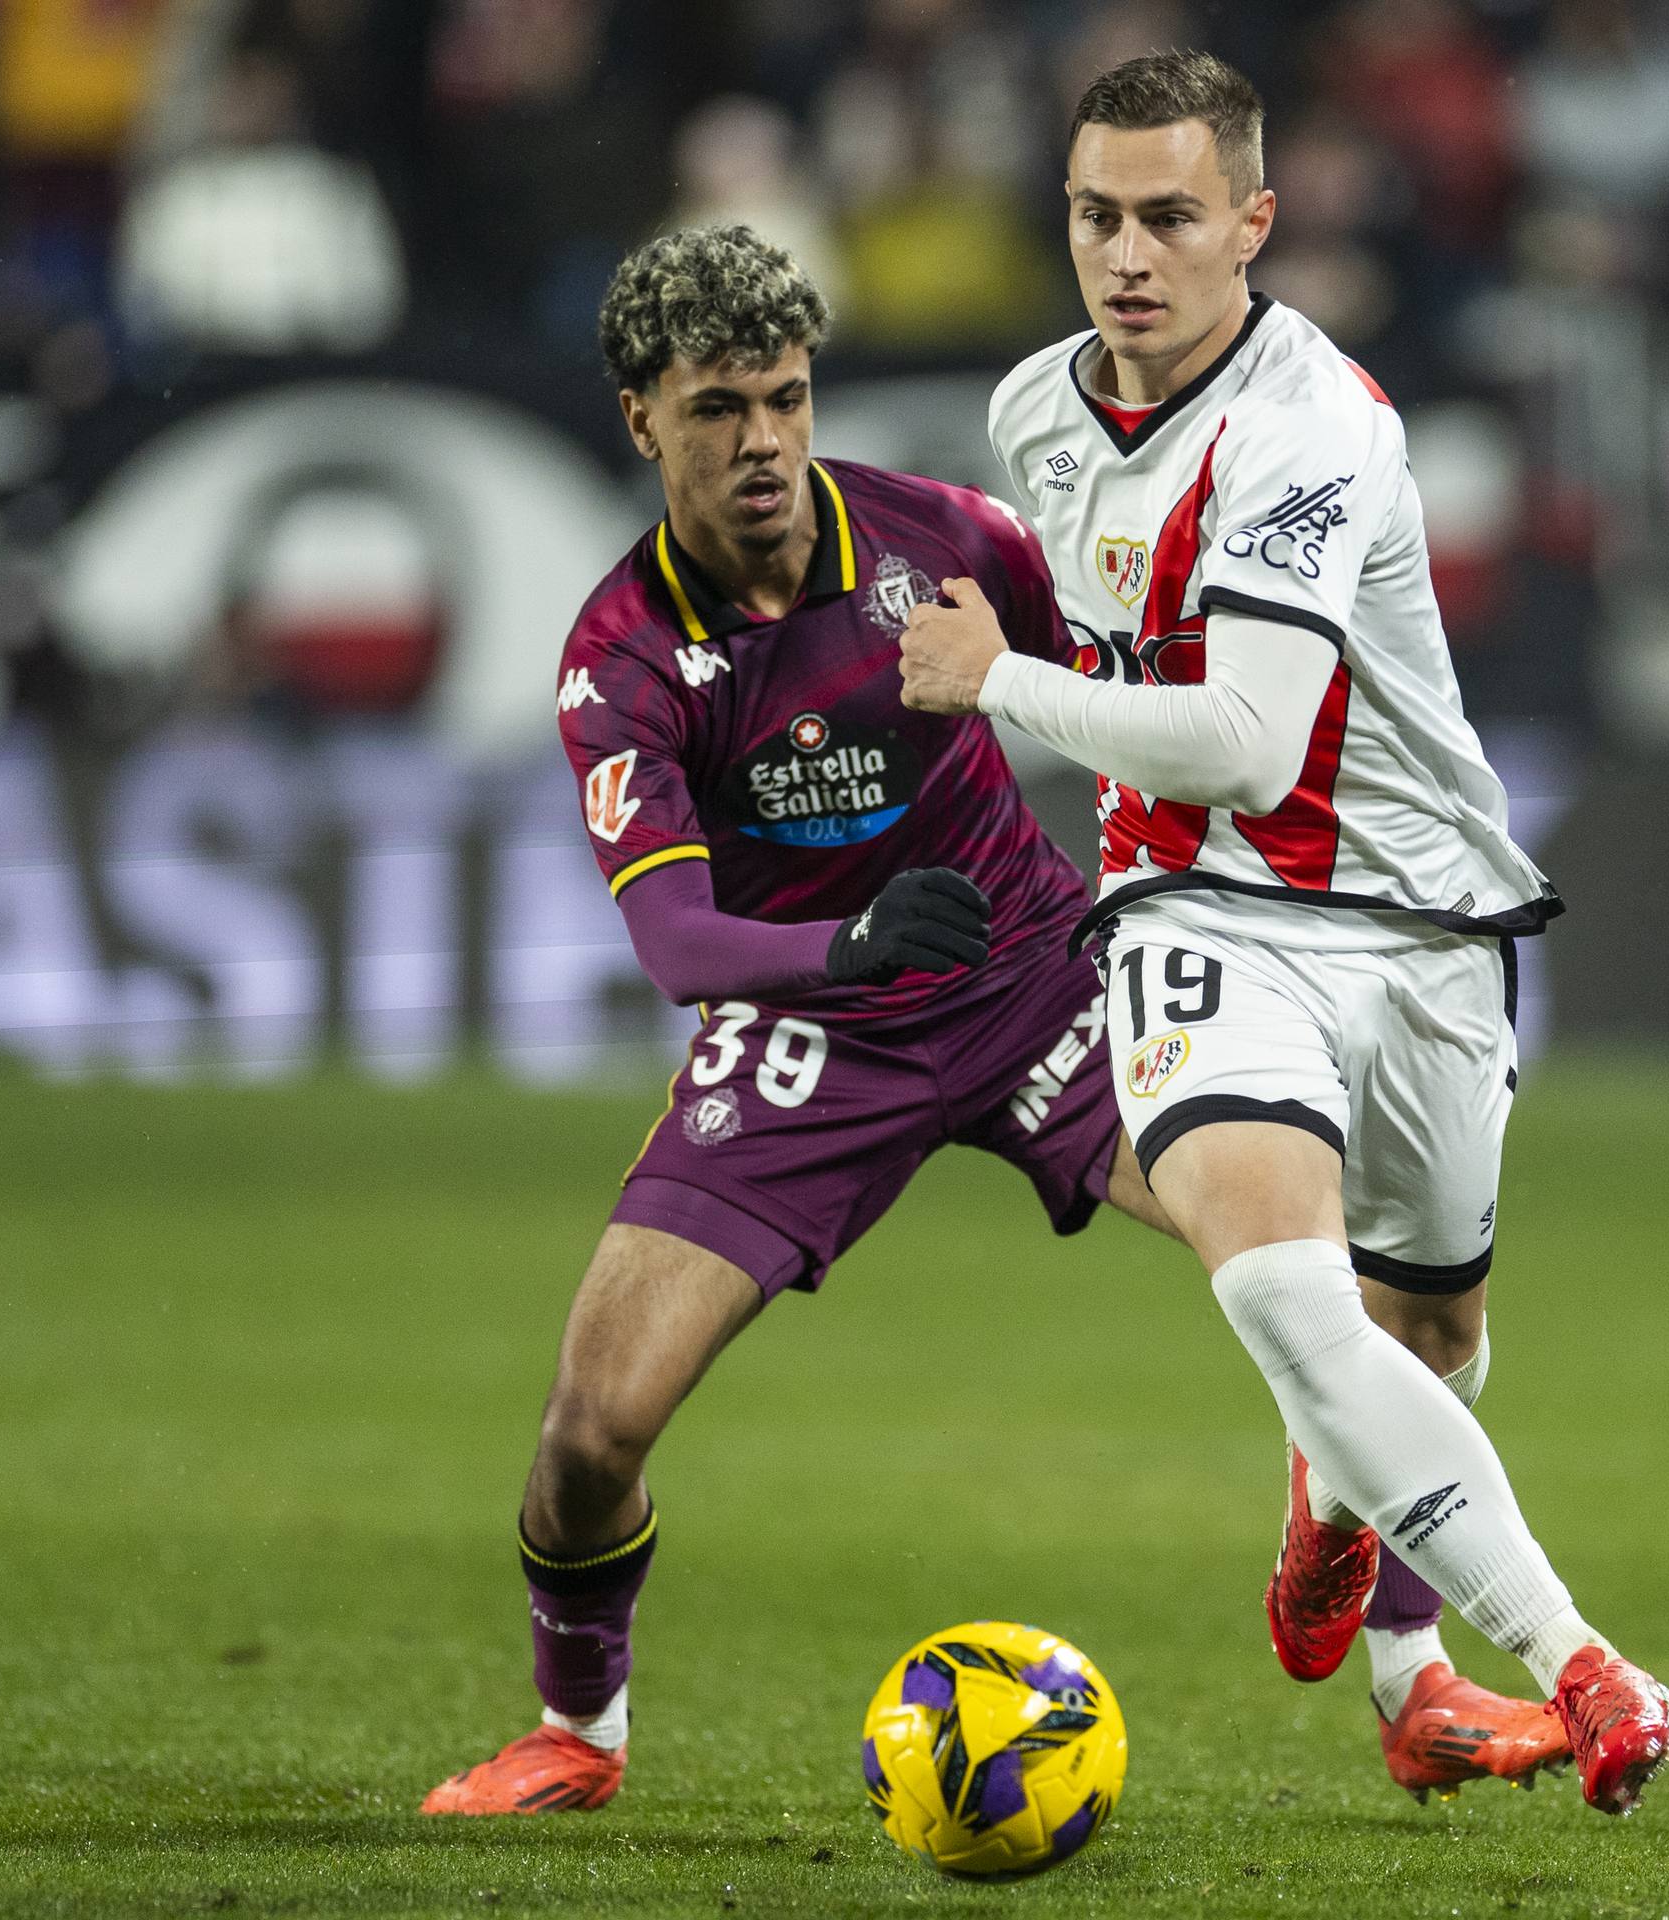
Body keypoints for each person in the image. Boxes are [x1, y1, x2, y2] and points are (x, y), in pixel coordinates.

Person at [897, 50, 1669, 1815]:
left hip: (1413, 914)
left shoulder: (1310, 426)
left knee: (1431, 1341)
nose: (1127, 253)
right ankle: (1580, 1667)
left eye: (1170, 216)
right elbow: (1099, 655)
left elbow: (1252, 740)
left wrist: (997, 685)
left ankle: (1338, 1524)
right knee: (1278, 1285)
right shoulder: (1037, 410)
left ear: (1253, 223)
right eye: (1096, 214)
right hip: (1194, 913)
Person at [422, 222, 1169, 1817]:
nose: (760, 440)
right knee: (587, 1431)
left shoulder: (943, 536)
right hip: (814, 1027)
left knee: (1314, 1261)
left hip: (1031, 973)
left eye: (784, 398)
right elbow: (680, 940)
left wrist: (1150, 886)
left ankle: (1407, 1673)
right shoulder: (621, 658)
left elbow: (1114, 693)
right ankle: (580, 1734)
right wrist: (845, 945)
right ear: (642, 419)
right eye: (715, 409)